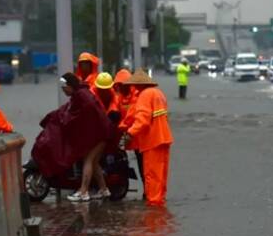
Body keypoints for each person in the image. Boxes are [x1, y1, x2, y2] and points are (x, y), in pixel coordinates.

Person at [31, 73, 113, 202]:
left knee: (88, 160)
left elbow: (77, 114)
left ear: (70, 86)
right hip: (102, 132)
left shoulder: (81, 95)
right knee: (94, 162)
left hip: (100, 134)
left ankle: (83, 192)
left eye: (64, 88)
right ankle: (104, 189)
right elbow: (71, 112)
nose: (63, 91)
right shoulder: (81, 94)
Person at [123, 69, 173, 207]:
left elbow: (143, 120)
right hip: (164, 138)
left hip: (152, 140)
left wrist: (130, 133)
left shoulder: (144, 95)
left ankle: (154, 208)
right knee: (161, 176)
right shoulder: (159, 93)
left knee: (151, 175)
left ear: (137, 85)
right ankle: (160, 203)